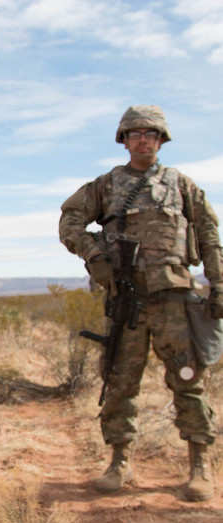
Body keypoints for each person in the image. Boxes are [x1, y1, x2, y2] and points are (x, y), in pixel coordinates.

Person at [59, 105, 222, 501]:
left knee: (187, 381)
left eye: (151, 133)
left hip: (174, 300)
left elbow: (209, 232)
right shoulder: (106, 185)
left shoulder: (181, 184)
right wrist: (95, 256)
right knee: (120, 383)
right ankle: (120, 462)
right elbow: (70, 221)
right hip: (127, 301)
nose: (143, 139)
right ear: (124, 140)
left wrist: (218, 283)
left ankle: (200, 465)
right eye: (135, 133)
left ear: (161, 140)